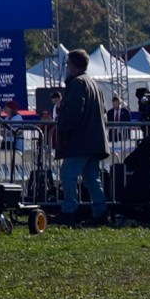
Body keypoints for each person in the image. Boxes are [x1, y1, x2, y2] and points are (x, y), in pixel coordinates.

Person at [54, 50, 110, 223]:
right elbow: (104, 112)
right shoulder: (94, 84)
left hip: (80, 141)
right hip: (94, 140)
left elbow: (73, 113)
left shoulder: (77, 84)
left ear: (72, 65)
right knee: (92, 178)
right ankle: (101, 212)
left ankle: (69, 210)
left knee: (68, 174)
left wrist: (63, 131)